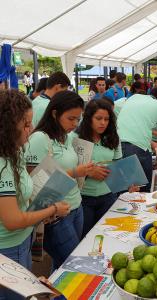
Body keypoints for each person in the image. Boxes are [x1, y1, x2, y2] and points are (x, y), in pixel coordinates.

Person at [0, 89, 70, 299]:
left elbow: (19, 200)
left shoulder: (14, 152)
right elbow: (13, 220)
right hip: (9, 248)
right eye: (26, 124)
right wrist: (53, 208)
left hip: (22, 241)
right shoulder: (3, 163)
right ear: (8, 126)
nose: (30, 130)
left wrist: (39, 210)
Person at [25, 90, 94, 270]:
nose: (75, 123)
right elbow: (32, 180)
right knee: (74, 267)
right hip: (55, 216)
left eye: (78, 119)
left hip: (75, 207)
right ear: (55, 113)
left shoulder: (67, 137)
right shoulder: (40, 139)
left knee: (62, 267)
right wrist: (74, 172)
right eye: (71, 118)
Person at [75, 100, 122, 237]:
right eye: (98, 118)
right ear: (88, 118)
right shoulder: (75, 138)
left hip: (108, 197)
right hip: (84, 199)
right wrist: (89, 172)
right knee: (85, 238)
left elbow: (118, 165)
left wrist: (128, 182)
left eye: (106, 119)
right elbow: (68, 169)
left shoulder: (113, 138)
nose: (103, 123)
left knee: (107, 236)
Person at [117, 91, 157, 192]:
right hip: (137, 148)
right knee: (141, 193)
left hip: (116, 145)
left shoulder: (134, 97)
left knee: (122, 193)